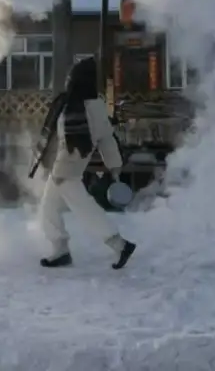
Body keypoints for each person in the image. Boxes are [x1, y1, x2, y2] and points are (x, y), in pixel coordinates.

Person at [31, 54, 134, 271]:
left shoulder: (76, 104)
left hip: (67, 164)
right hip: (68, 161)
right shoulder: (94, 105)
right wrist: (114, 167)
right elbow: (107, 139)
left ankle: (118, 243)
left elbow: (71, 140)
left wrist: (114, 168)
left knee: (83, 207)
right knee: (48, 208)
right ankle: (60, 249)